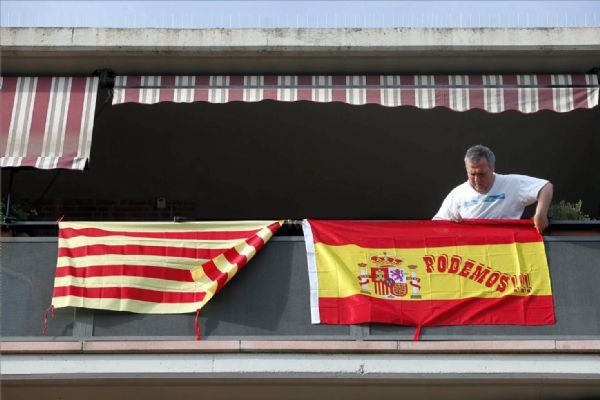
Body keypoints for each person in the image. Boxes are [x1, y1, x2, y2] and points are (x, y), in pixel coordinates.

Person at [433, 145, 553, 233]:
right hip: (471, 255)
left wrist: (541, 213)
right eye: (472, 174)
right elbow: (435, 227)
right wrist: (449, 223)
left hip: (504, 250)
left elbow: (545, 186)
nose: (477, 179)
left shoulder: (512, 183)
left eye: (481, 174)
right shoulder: (457, 193)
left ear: (492, 168)